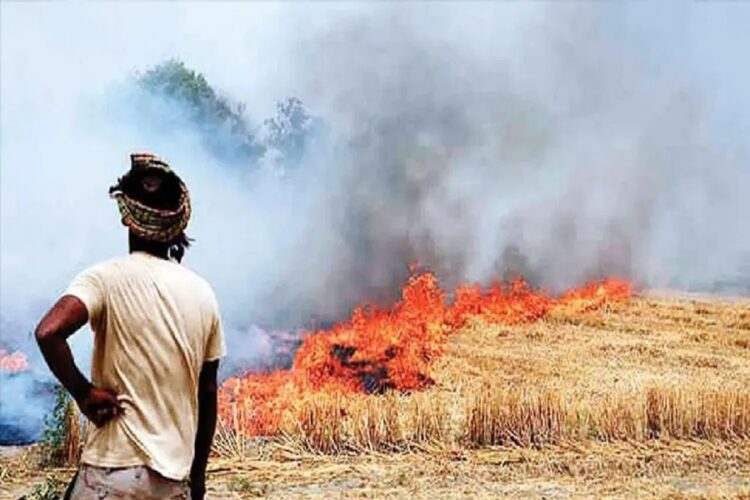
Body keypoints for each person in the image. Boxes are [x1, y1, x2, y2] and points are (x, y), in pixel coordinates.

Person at [35, 153, 225, 500]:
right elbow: (208, 392)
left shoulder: (103, 278)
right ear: (177, 223)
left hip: (111, 474)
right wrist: (197, 479)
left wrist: (83, 392)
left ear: (125, 216)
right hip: (172, 481)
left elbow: (49, 332)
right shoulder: (203, 294)